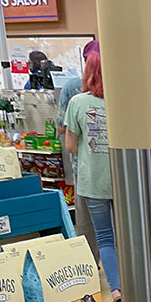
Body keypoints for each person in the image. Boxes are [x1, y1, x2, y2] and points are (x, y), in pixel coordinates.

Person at [64, 52, 122, 302]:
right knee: (127, 238)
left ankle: (118, 292)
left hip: (93, 180)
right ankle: (138, 289)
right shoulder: (121, 100)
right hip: (123, 181)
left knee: (105, 239)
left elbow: (70, 146)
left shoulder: (77, 102)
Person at [56, 39, 101, 267]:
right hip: (115, 170)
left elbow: (62, 130)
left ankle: (90, 267)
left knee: (87, 225)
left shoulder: (72, 90)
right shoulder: (117, 89)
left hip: (83, 169)